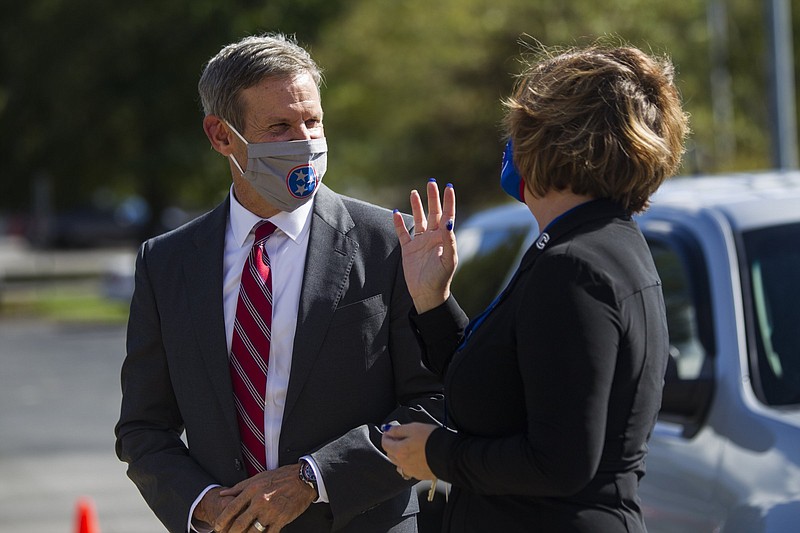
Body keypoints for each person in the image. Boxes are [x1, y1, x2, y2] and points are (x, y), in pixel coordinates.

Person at [115, 33, 444, 533]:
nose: (306, 142)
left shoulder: (391, 243)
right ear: (221, 136)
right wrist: (206, 504)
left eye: (313, 121)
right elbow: (144, 428)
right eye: (280, 127)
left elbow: (435, 399)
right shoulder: (168, 263)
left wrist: (315, 479)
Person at [381, 43, 689, 532]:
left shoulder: (576, 264)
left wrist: (435, 455)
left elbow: (559, 461)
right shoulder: (595, 244)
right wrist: (431, 301)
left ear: (553, 141)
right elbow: (505, 390)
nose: (511, 141)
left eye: (520, 127)